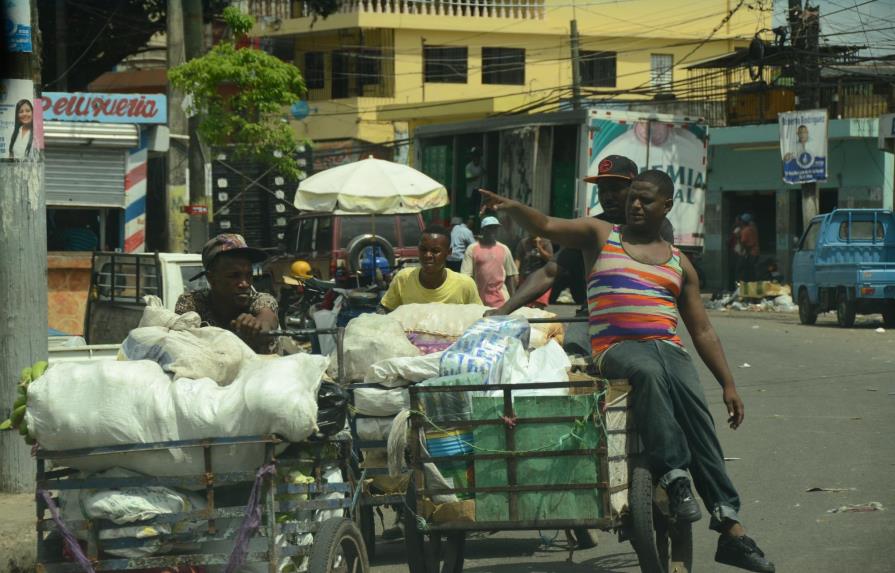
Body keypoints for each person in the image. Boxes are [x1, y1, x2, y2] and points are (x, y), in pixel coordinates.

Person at [479, 171, 775, 573]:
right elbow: (547, 226)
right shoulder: (602, 235)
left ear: (666, 207)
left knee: (699, 420)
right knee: (648, 371)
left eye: (645, 200)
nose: (635, 205)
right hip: (614, 350)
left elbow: (702, 329)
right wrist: (512, 208)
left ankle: (730, 525)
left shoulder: (679, 264)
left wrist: (728, 383)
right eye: (633, 197)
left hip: (668, 350)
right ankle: (673, 475)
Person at [175, 234, 279, 354]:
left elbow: (268, 319)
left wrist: (258, 326)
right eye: (234, 276)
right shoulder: (192, 302)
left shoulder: (261, 299)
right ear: (211, 278)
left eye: (249, 275)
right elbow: (182, 343)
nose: (245, 284)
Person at [380, 224, 481, 311]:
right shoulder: (403, 279)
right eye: (423, 249)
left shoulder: (465, 285)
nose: (427, 255)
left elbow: (478, 317)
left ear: (448, 253)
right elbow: (385, 308)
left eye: (435, 251)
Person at [461, 216, 518, 308]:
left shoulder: (504, 249)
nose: (492, 231)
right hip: (479, 301)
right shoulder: (472, 249)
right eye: (489, 228)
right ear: (483, 230)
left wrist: (514, 301)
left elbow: (510, 276)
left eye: (495, 228)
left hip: (501, 301)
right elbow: (466, 277)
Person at [514, 233, 554, 308]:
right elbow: (518, 258)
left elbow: (550, 259)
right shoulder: (523, 243)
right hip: (526, 277)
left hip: (541, 279)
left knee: (539, 304)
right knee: (526, 303)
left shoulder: (546, 242)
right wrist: (515, 273)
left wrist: (539, 246)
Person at [737, 214, 759, 283]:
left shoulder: (745, 231)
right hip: (755, 252)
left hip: (750, 253)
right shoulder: (753, 229)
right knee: (751, 270)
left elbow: (743, 243)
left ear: (743, 222)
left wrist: (744, 253)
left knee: (745, 271)